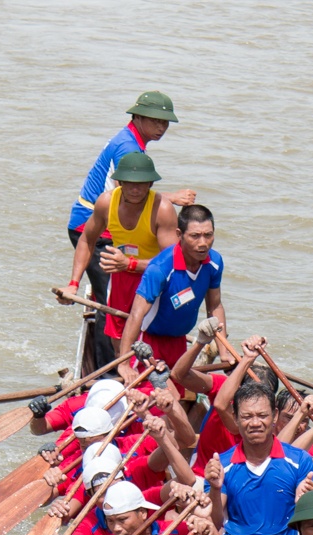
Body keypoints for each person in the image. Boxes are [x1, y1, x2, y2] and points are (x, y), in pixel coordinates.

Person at [65, 92, 194, 316]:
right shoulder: (129, 147)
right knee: (110, 304)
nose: (161, 128)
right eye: (155, 121)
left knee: (114, 289)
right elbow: (125, 192)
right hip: (94, 221)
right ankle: (109, 349)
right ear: (137, 117)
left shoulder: (129, 137)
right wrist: (171, 198)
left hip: (99, 218)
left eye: (164, 122)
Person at [66, 151, 178, 348]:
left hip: (153, 279)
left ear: (150, 184)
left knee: (150, 344)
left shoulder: (162, 209)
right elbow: (86, 240)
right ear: (119, 183)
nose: (135, 189)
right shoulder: (106, 202)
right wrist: (73, 283)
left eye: (141, 184)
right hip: (120, 278)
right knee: (119, 345)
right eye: (129, 183)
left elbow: (173, 261)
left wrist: (131, 263)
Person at [204, 383, 313, 535]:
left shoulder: (300, 462)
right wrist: (214, 488)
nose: (255, 423)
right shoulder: (221, 465)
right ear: (236, 419)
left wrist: (305, 504)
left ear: (274, 416)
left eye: (262, 416)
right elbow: (214, 521)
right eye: (247, 417)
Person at [119, 205, 224, 368]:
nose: (203, 243)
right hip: (148, 343)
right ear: (179, 235)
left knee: (176, 392)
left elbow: (215, 305)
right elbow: (136, 316)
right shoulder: (160, 269)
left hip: (180, 342)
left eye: (208, 235)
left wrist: (224, 353)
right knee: (146, 392)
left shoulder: (214, 263)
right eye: (195, 236)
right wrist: (124, 365)